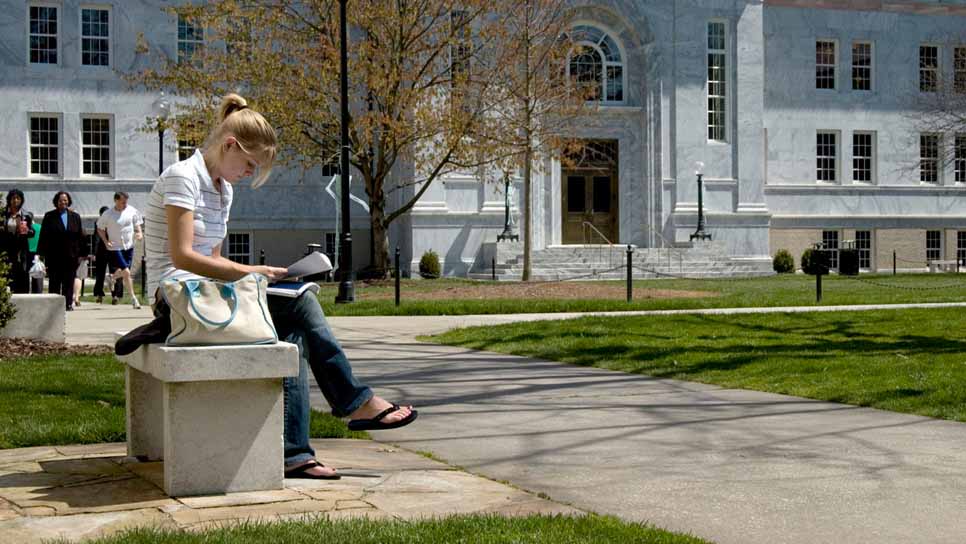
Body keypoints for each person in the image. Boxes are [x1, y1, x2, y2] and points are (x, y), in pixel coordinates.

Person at [118, 93, 417, 480]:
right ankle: (353, 403)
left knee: (294, 320)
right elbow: (183, 257)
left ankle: (295, 455)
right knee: (303, 308)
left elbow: (216, 261)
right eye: (248, 164)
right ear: (229, 145)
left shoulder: (222, 188)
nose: (247, 174)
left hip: (208, 293)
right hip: (175, 295)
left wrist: (264, 273)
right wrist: (248, 274)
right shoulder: (182, 177)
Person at [37, 191, 87, 310]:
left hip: (71, 255)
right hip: (54, 255)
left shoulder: (75, 217)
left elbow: (81, 236)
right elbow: (43, 236)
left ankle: (68, 303)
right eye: (60, 200)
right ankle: (54, 305)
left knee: (69, 281)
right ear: (56, 202)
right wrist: (39, 254)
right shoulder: (49, 216)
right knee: (54, 281)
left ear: (68, 201)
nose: (63, 202)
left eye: (65, 200)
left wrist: (83, 254)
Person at [96, 192, 143, 309]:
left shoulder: (132, 210)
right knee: (126, 272)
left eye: (126, 201)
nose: (125, 204)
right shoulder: (108, 214)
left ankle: (112, 277)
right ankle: (134, 298)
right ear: (116, 201)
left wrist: (139, 233)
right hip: (115, 247)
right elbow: (100, 228)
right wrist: (106, 241)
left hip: (129, 246)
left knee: (125, 271)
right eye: (123, 202)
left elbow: (137, 225)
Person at [0, 189, 35, 293]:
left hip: (21, 250)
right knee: (7, 275)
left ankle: (23, 298)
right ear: (9, 200)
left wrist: (28, 231)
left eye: (18, 198)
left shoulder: (27, 215)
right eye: (13, 198)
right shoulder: (3, 214)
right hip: (6, 249)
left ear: (21, 200)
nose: (15, 201)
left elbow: (32, 232)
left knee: (22, 274)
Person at [92, 206, 124, 304]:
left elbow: (96, 238)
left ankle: (110, 295)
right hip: (108, 251)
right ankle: (111, 295)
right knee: (104, 273)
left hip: (110, 250)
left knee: (109, 273)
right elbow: (96, 238)